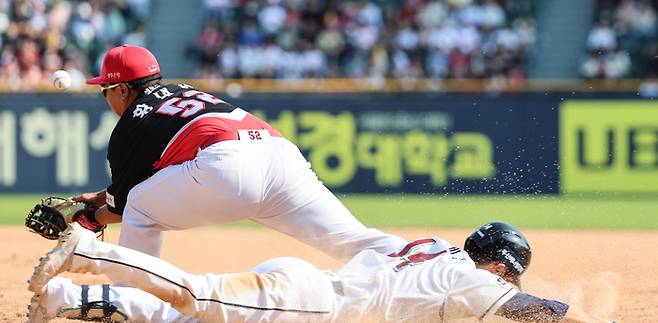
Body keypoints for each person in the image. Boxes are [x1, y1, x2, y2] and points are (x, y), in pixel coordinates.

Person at [71, 44, 406, 261]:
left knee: (141, 208)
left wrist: (85, 216)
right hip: (278, 156)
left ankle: (130, 303)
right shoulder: (180, 91)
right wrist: (96, 198)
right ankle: (440, 262)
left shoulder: (130, 126)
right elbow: (154, 183)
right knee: (350, 240)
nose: (106, 100)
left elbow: (126, 206)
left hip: (229, 167)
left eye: (105, 91)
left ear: (122, 90)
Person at [27, 222, 614, 322]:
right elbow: (541, 312)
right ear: (501, 268)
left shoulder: (436, 253)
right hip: (310, 304)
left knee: (182, 318)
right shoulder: (474, 283)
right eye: (509, 275)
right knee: (195, 296)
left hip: (304, 291)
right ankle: (87, 251)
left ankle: (64, 299)